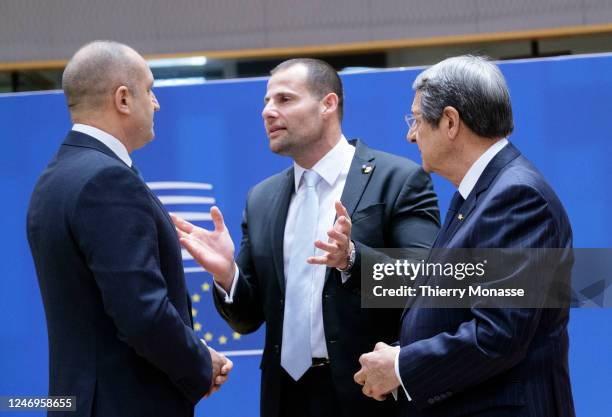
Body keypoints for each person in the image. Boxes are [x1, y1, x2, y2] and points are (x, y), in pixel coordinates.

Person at [173, 58, 440, 417]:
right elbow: (248, 318)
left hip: (371, 395)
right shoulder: (262, 198)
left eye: (284, 100)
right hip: (285, 398)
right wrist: (227, 276)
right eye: (266, 102)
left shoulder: (398, 179)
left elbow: (424, 282)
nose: (268, 112)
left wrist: (353, 258)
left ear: (327, 104)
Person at [354, 55, 575, 417]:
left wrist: (400, 367)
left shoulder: (517, 198)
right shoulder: (478, 196)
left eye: (417, 120)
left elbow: (498, 334)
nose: (411, 134)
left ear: (451, 122)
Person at [26, 40, 232, 417]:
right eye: (150, 90)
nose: (156, 103)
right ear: (123, 99)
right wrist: (199, 364)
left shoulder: (55, 177)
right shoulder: (106, 179)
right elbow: (141, 313)